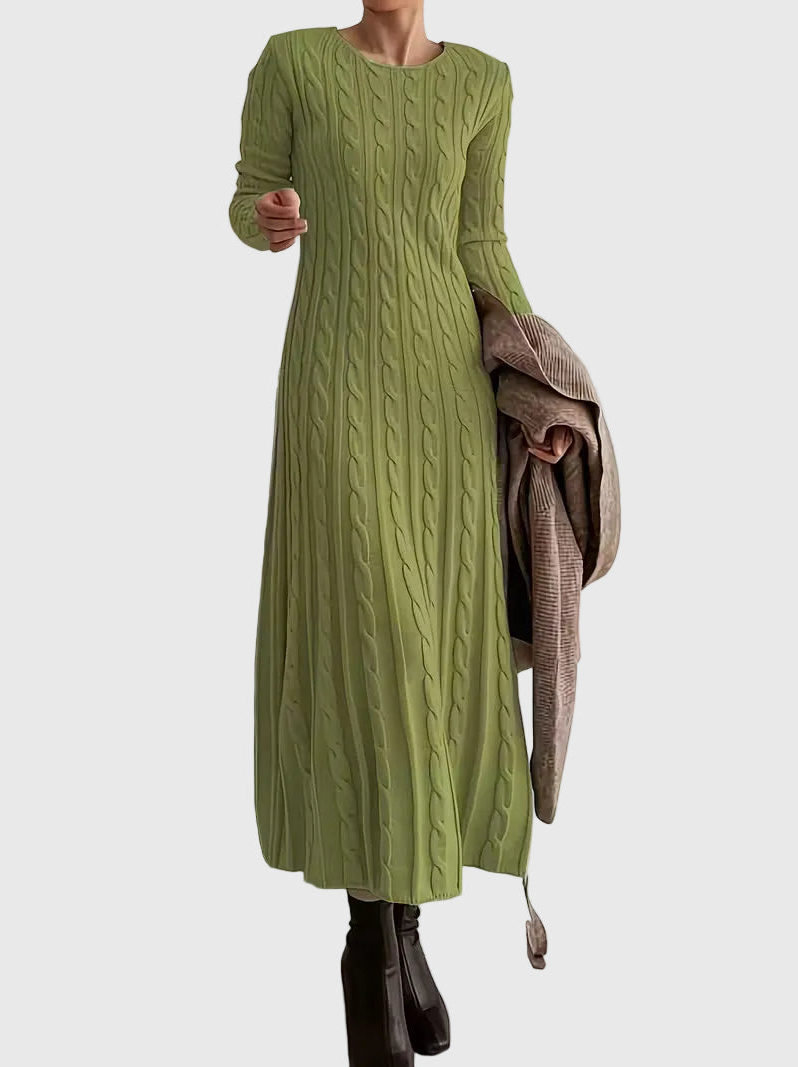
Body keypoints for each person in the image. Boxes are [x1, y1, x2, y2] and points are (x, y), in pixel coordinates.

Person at [228, 7, 567, 1063]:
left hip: (445, 394)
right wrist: (266, 217)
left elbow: (480, 241)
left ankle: (406, 925)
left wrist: (540, 385)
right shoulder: (291, 61)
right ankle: (367, 949)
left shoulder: (484, 82)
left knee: (432, 648)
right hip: (333, 375)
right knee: (369, 638)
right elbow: (248, 196)